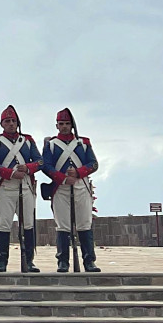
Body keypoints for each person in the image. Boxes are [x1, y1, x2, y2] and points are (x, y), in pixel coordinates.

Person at [0, 105, 43, 273]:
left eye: (13, 121)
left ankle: (29, 260)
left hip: (25, 185)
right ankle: (1, 260)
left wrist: (27, 168)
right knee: (3, 224)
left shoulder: (27, 140)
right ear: (2, 124)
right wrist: (10, 173)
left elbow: (40, 161)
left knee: (28, 224)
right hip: (5, 186)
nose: (11, 124)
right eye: (7, 121)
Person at [43, 108, 100, 272]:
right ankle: (62, 261)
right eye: (61, 124)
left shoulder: (83, 143)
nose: (64, 127)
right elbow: (46, 166)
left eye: (67, 124)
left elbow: (93, 164)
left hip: (81, 186)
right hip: (60, 187)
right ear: (57, 125)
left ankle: (89, 261)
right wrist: (63, 178)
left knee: (84, 224)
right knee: (63, 226)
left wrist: (78, 172)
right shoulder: (51, 144)